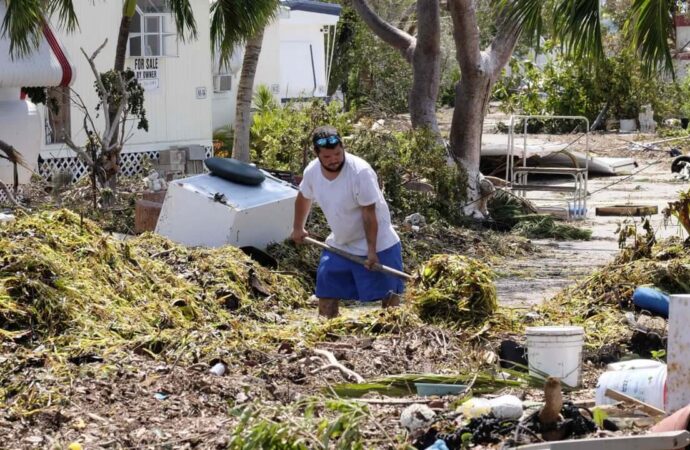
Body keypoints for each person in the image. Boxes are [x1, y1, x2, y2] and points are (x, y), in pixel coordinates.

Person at [291, 125, 404, 318]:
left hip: (379, 243)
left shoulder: (360, 172)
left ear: (343, 148)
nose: (334, 160)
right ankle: (327, 330)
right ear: (317, 154)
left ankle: (393, 336)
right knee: (326, 289)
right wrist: (298, 227)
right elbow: (304, 196)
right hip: (341, 243)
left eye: (337, 154)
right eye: (327, 157)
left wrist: (371, 251)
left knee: (390, 299)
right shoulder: (312, 171)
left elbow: (369, 213)